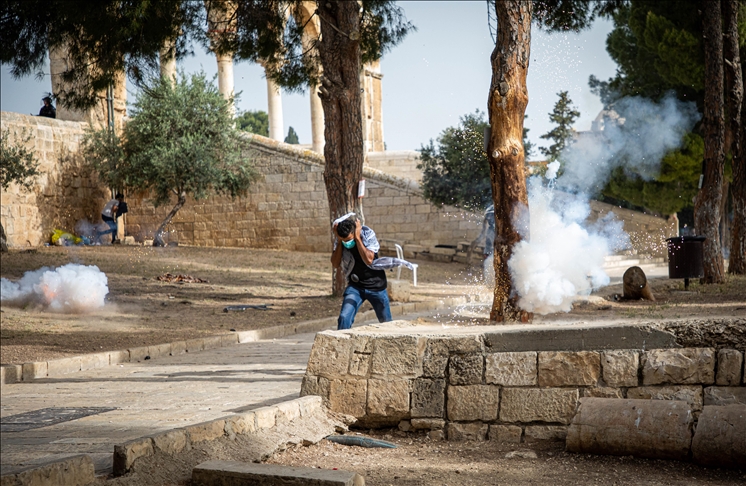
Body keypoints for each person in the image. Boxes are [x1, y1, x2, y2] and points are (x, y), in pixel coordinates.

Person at [331, 215, 392, 330]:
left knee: (386, 323)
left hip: (376, 286)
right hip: (356, 287)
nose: (347, 243)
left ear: (355, 232)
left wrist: (358, 239)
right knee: (344, 317)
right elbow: (335, 263)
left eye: (349, 240)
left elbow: (369, 260)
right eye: (344, 241)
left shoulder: (367, 235)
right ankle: (342, 340)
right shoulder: (341, 240)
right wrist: (339, 241)